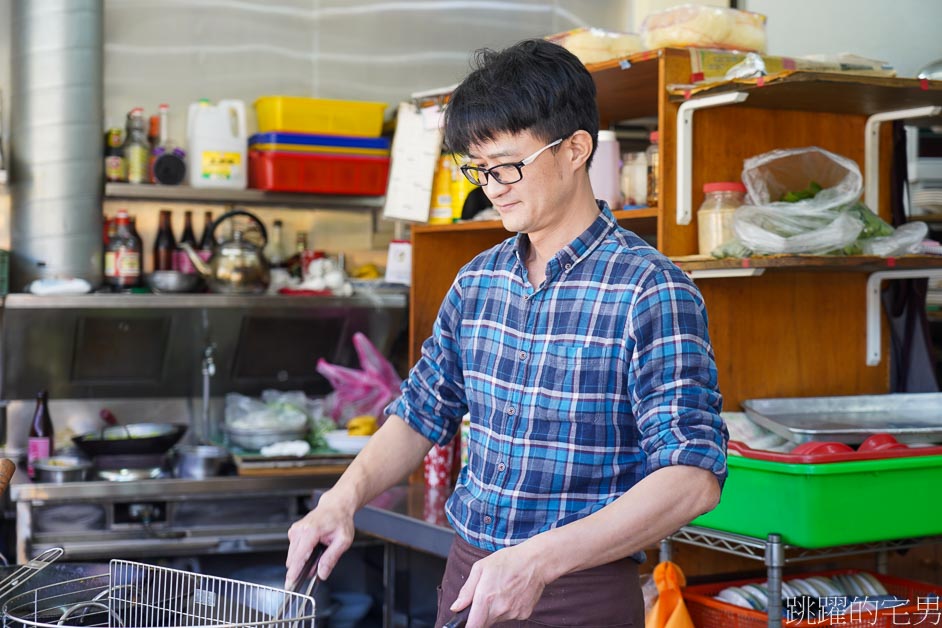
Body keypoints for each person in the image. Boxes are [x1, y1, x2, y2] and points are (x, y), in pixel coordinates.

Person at [286, 38, 728, 627]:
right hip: (468, 578)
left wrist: (540, 562)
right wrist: (340, 501)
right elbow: (421, 409)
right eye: (478, 168)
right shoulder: (478, 281)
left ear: (576, 150)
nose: (491, 186)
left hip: (580, 592)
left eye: (507, 165)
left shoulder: (651, 290)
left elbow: (692, 476)